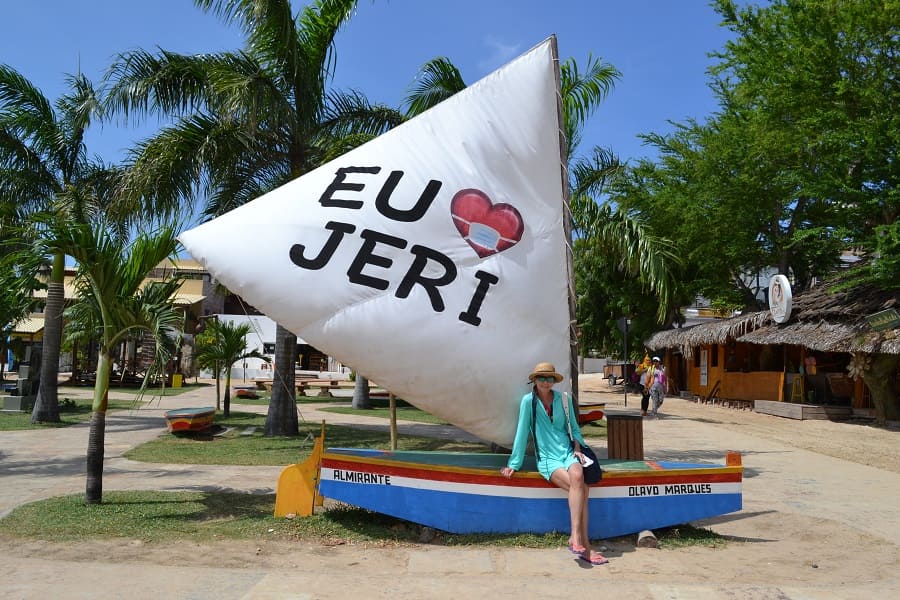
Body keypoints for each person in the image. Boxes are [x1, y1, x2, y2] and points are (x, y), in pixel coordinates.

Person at [500, 362, 609, 565]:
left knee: (578, 476)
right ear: (535, 380)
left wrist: (577, 448)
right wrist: (514, 463)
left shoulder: (563, 400)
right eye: (541, 378)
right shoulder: (528, 402)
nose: (546, 382)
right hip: (548, 459)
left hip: (568, 452)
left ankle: (575, 537)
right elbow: (522, 432)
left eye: (549, 378)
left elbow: (575, 430)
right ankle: (584, 544)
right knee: (583, 490)